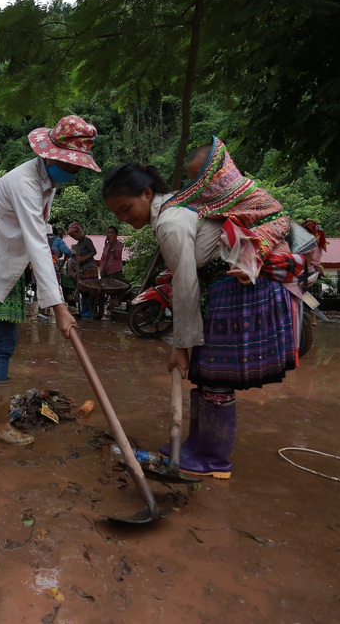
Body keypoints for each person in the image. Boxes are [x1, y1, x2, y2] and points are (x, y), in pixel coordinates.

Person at [101, 139, 300, 479]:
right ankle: (196, 446)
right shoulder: (176, 210)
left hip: (235, 288)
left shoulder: (169, 222)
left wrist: (181, 347)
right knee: (207, 372)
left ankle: (213, 458)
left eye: (125, 208)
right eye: (116, 213)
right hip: (226, 289)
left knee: (215, 375)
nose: (122, 217)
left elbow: (186, 284)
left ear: (147, 194)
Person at [0, 115, 99, 445]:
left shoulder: (47, 183)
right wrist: (60, 309)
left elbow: (40, 241)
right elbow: (36, 242)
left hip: (9, 268)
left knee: (0, 342)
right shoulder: (25, 183)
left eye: (77, 168)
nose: (73, 173)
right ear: (51, 156)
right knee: (3, 344)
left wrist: (55, 299)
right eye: (70, 166)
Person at [68, 222, 98, 318]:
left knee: (89, 291)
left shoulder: (86, 240)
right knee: (83, 292)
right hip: (82, 269)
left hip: (90, 268)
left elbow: (94, 251)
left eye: (73, 235)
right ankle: (85, 312)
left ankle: (89, 312)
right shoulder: (79, 243)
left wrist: (83, 258)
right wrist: (77, 272)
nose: (73, 237)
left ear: (78, 232)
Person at [96, 225, 125, 318]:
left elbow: (117, 256)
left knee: (115, 294)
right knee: (100, 292)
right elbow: (103, 258)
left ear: (116, 235)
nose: (110, 234)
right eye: (109, 232)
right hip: (105, 272)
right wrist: (101, 269)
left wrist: (113, 245)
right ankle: (100, 313)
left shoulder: (119, 244)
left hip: (115, 272)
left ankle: (114, 314)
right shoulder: (106, 245)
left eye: (112, 232)